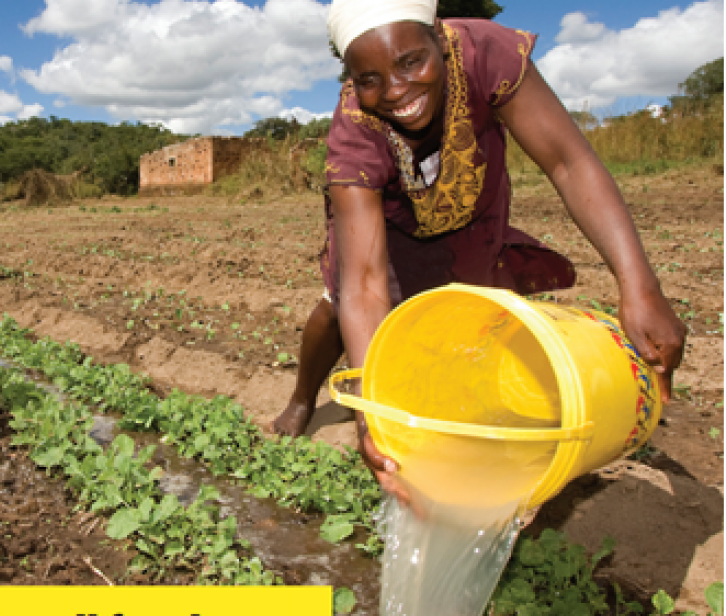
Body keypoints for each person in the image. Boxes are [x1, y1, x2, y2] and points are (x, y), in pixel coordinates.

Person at [269, 0, 687, 502]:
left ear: (439, 41)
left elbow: (569, 163)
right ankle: (302, 397)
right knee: (338, 308)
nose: (397, 90)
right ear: (351, 80)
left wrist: (640, 286)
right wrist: (371, 415)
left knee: (467, 319)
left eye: (410, 62)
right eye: (370, 78)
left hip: (469, 204)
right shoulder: (354, 131)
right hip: (388, 220)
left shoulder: (488, 54)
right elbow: (363, 283)